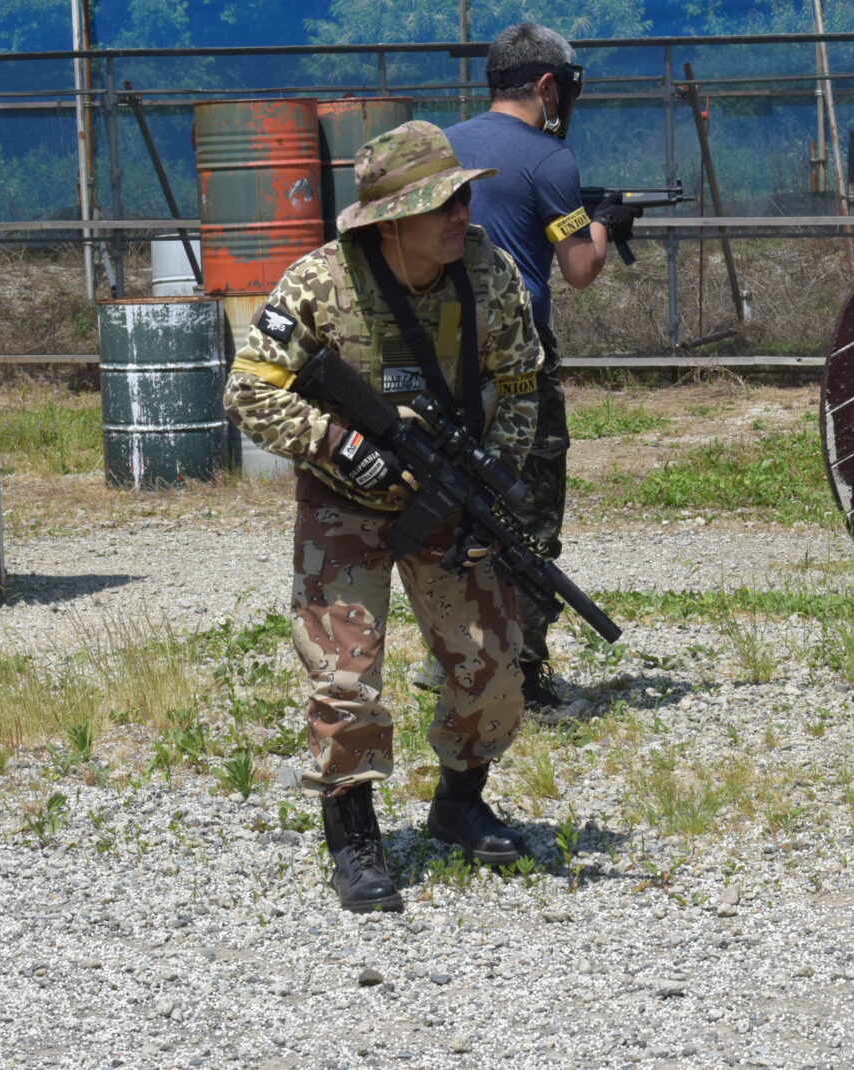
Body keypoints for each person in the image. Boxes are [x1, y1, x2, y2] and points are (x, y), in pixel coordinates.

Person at [224, 120, 544, 912]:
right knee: (345, 679)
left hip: (450, 501)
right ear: (391, 221)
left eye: (463, 199)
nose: (462, 215)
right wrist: (337, 444)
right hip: (345, 503)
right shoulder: (318, 284)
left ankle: (460, 804)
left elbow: (521, 381)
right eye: (442, 205)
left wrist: (494, 481)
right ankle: (354, 838)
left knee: (493, 664)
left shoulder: (488, 275)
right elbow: (248, 391)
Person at [441, 22, 640, 723]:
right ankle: (522, 678)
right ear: (548, 86)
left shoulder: (441, 145)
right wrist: (605, 222)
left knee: (456, 506)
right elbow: (580, 268)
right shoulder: (550, 159)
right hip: (519, 360)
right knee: (527, 514)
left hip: (441, 358)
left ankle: (452, 657)